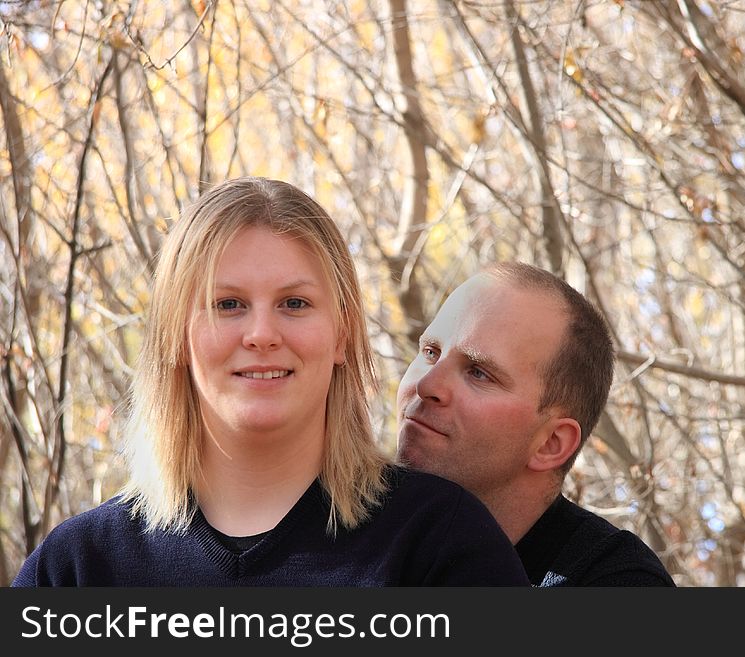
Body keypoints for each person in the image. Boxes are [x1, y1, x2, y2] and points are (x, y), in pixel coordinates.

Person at [13, 177, 528, 586]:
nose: (261, 334)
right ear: (175, 334)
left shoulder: (440, 545)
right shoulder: (77, 571)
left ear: (342, 334)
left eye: (294, 304)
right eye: (228, 304)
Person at [397, 262, 675, 586]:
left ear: (550, 443)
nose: (427, 385)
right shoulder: (337, 519)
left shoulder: (615, 580)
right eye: (431, 352)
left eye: (478, 373)